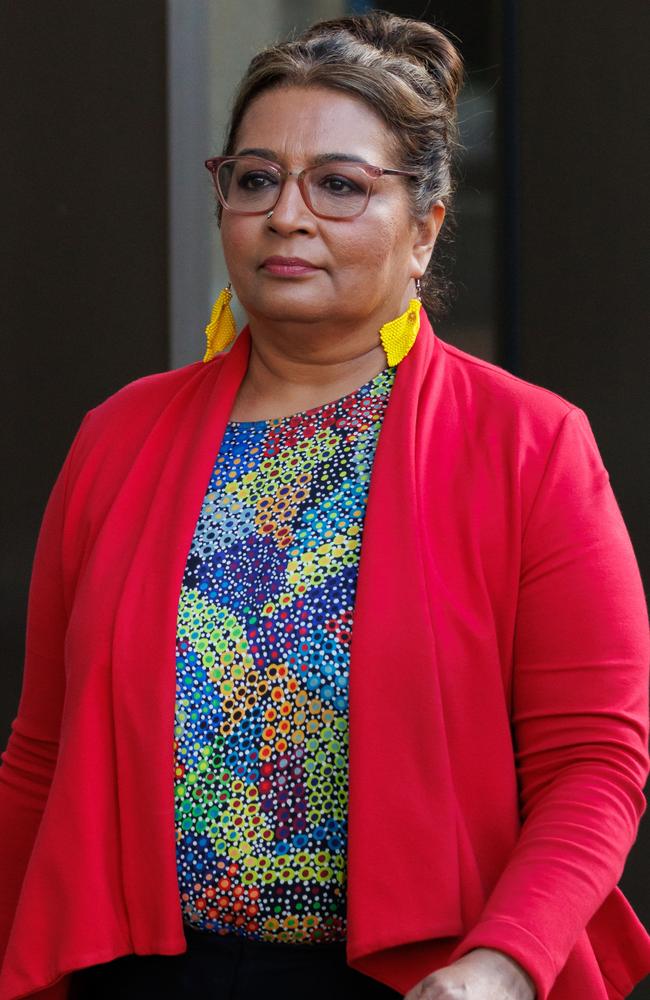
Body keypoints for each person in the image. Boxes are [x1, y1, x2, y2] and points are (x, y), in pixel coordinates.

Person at [0, 10, 648, 1000]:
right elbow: (38, 761)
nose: (286, 215)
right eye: (254, 178)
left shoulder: (528, 445)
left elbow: (592, 762)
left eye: (338, 185)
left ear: (423, 226)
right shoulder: (119, 437)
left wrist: (502, 962)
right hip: (143, 975)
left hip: (421, 979)